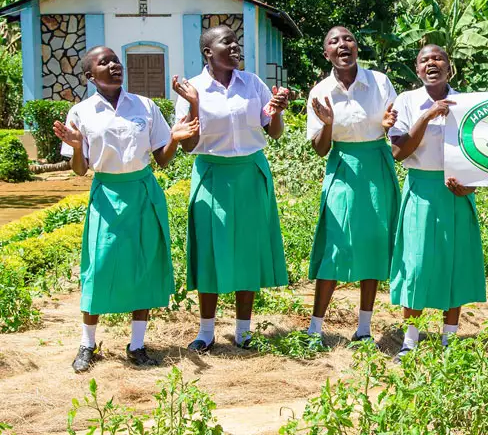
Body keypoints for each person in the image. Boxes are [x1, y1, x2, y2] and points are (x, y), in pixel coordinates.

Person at [54, 46, 199, 372]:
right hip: (106, 195)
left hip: (143, 193)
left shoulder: (145, 106)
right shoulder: (81, 112)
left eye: (116, 60)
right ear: (91, 76)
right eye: (104, 62)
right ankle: (87, 344)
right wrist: (77, 147)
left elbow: (162, 158)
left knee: (143, 266)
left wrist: (174, 138)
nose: (114, 65)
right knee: (99, 266)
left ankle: (137, 345)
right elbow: (81, 169)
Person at [173, 25, 290, 352]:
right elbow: (187, 145)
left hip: (251, 174)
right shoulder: (191, 88)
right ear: (208, 52)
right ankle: (206, 331)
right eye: (228, 42)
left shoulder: (252, 83)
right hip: (212, 174)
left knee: (248, 250)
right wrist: (194, 105)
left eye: (237, 42)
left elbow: (274, 131)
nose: (237, 47)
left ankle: (243, 331)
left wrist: (277, 111)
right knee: (210, 250)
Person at [388, 44, 486, 361]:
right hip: (420, 188)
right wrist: (427, 115)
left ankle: (450, 339)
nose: (432, 63)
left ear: (449, 66)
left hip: (455, 189)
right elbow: (400, 152)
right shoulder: (406, 102)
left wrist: (471, 186)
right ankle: (411, 339)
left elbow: (481, 153)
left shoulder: (467, 104)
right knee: (416, 265)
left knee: (454, 263)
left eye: (438, 58)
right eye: (424, 60)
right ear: (417, 70)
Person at [306, 26, 400, 344]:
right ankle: (315, 328)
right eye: (334, 41)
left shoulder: (379, 82)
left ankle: (364, 328)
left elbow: (396, 127)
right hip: (342, 165)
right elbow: (320, 149)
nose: (343, 44)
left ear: (357, 48)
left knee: (373, 241)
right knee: (335, 242)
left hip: (376, 164)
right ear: (326, 53)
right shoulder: (320, 92)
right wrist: (328, 124)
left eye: (348, 39)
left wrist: (388, 127)